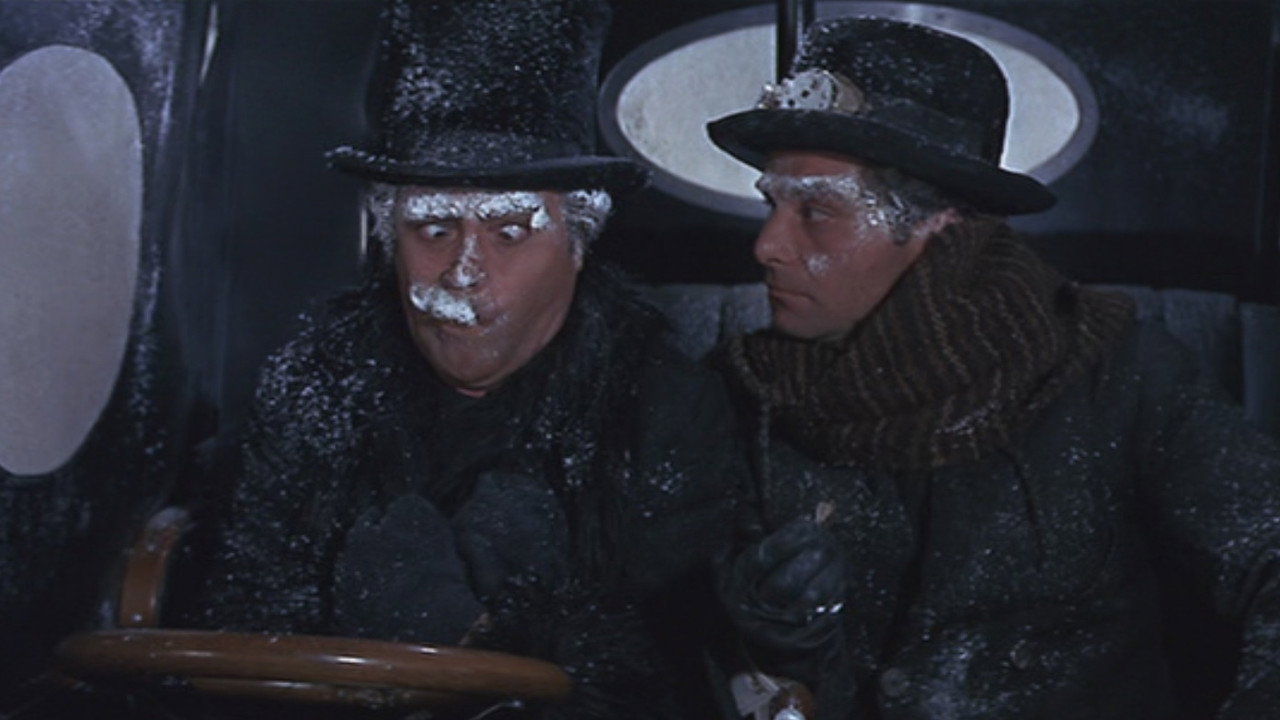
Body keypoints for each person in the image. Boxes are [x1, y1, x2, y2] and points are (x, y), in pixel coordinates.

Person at [705, 16, 1280, 720]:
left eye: (818, 212)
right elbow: (667, 634)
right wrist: (766, 640)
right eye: (772, 205)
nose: (768, 245)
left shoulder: (1117, 375)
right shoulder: (740, 395)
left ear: (939, 224)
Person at [191, 1, 741, 717]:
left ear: (576, 244)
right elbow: (244, 622)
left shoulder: (661, 409)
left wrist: (497, 637)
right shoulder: (316, 384)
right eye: (433, 229)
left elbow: (670, 666)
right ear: (389, 244)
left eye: (510, 231)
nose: (464, 271)